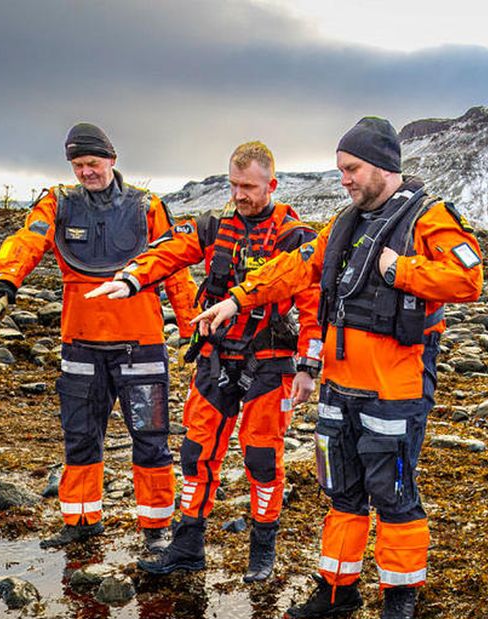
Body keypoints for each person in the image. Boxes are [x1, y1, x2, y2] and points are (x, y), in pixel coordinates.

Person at [194, 117, 483, 619]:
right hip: (340, 382)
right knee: (342, 491)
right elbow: (295, 266)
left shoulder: (428, 218)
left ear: (381, 166)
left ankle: (399, 594)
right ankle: (337, 588)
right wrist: (235, 298)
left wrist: (401, 270)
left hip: (396, 385)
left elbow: (468, 277)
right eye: (340, 170)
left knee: (392, 492)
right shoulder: (343, 224)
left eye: (350, 169)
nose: (344, 179)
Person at [88, 141, 320, 580]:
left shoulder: (295, 238)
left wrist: (309, 368)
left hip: (270, 360)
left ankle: (262, 547)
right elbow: (168, 251)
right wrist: (132, 279)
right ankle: (189, 544)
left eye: (249, 186)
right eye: (233, 185)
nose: (239, 195)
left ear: (272, 184)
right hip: (216, 356)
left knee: (261, 457)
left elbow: (313, 305)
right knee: (196, 451)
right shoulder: (214, 227)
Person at [0, 123, 198, 550]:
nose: (86, 172)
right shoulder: (58, 202)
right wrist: (3, 283)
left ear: (112, 160)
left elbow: (175, 267)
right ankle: (80, 519)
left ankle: (155, 527)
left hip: (141, 344)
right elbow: (29, 240)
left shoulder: (146, 206)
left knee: (150, 437)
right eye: (78, 165)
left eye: (93, 163)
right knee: (80, 436)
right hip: (81, 344)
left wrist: (190, 329)